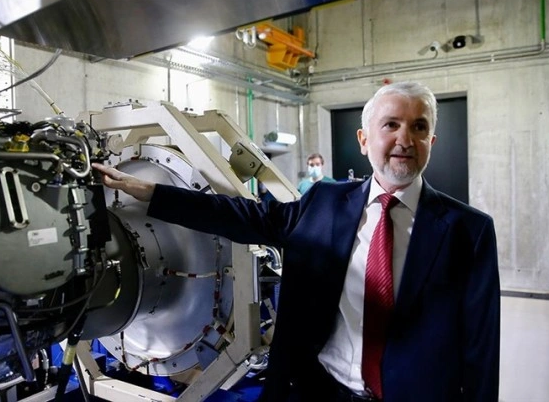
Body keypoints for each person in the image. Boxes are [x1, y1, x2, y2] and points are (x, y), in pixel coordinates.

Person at [92, 81, 500, 402]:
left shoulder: (469, 231)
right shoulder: (325, 202)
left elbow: (481, 349)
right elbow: (244, 216)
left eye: (419, 127)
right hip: (320, 391)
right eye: (391, 125)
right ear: (364, 140)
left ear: (432, 142)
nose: (405, 139)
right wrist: (149, 193)